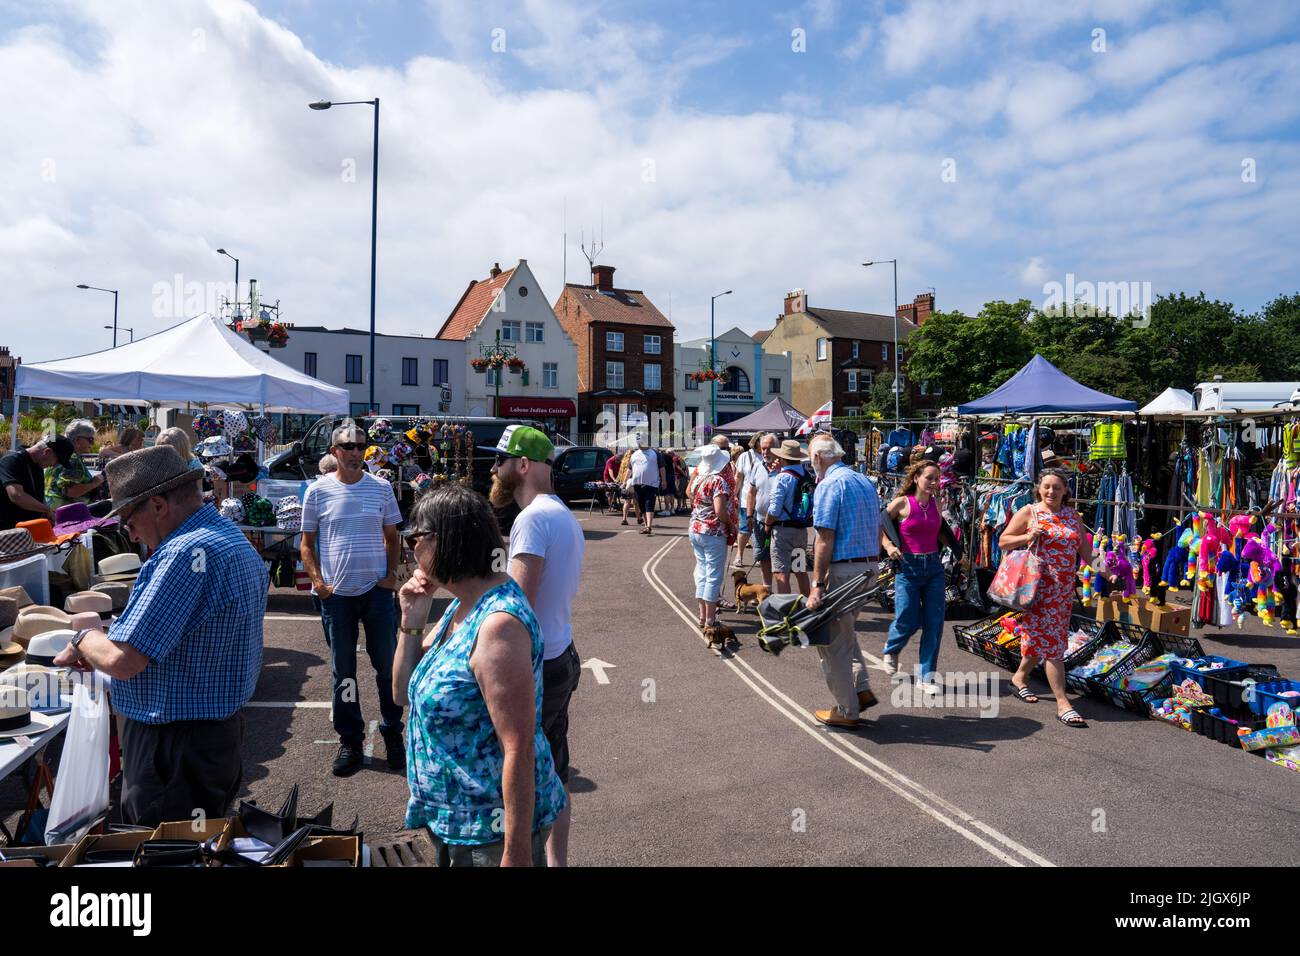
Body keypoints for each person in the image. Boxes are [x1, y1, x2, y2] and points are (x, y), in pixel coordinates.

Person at [53, 446, 267, 825]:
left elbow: (124, 661)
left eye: (127, 518)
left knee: (160, 849)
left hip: (173, 747)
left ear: (157, 505)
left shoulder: (184, 552)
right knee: (190, 846)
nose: (127, 531)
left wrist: (83, 638)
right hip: (208, 741)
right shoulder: (228, 538)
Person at [393, 483, 567, 867]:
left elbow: (517, 746)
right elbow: (402, 693)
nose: (409, 549)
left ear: (445, 542)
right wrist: (411, 621)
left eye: (414, 539)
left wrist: (515, 852)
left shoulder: (497, 625)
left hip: (487, 835)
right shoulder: (463, 604)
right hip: (454, 823)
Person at [487, 425, 585, 867]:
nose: (494, 468)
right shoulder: (559, 511)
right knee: (555, 771)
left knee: (521, 774)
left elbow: (518, 608)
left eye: (500, 460)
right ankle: (556, 862)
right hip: (559, 653)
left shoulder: (531, 519)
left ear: (522, 465)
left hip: (537, 665)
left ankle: (519, 858)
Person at [300, 422, 405, 777]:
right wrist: (319, 582)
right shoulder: (317, 492)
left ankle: (393, 733)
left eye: (361, 446)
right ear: (334, 452)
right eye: (348, 446)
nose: (356, 452)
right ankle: (351, 740)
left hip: (375, 593)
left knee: (387, 669)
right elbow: (306, 544)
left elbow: (393, 537)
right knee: (343, 672)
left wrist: (390, 578)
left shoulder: (381, 488)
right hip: (337, 597)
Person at [1000, 469, 1093, 729]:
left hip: (1063, 592)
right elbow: (1003, 541)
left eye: (1057, 487)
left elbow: (1085, 549)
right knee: (1053, 644)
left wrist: (1106, 572)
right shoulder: (1030, 512)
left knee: (1039, 637)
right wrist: (1027, 536)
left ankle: (1019, 678)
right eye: (1046, 487)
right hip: (1038, 589)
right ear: (1039, 489)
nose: (1051, 492)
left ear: (1066, 491)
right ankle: (1063, 702)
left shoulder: (1073, 516)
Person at [805, 432, 881, 727]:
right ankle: (860, 689)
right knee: (845, 632)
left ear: (818, 457)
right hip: (868, 567)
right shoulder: (863, 480)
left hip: (844, 570)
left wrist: (816, 585)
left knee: (832, 644)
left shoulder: (829, 484)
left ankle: (846, 710)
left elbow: (824, 538)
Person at [880, 460, 946, 691]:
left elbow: (943, 532)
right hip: (908, 567)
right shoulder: (902, 503)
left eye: (937, 478)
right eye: (929, 477)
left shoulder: (937, 503)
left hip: (934, 567)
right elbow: (880, 523)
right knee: (907, 616)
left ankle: (926, 677)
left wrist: (960, 554)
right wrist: (888, 546)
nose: (934, 483)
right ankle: (892, 647)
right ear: (916, 478)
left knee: (934, 623)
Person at [688, 444, 734, 630]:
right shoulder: (718, 481)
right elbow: (720, 510)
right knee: (713, 576)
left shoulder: (699, 478)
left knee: (702, 572)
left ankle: (702, 616)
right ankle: (709, 619)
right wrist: (731, 524)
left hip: (696, 528)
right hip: (713, 531)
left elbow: (690, 494)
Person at [765, 440, 815, 597]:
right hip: (800, 530)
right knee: (800, 570)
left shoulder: (782, 478)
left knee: (781, 573)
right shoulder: (806, 475)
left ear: (783, 458)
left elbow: (774, 509)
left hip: (782, 531)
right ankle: (807, 608)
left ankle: (786, 612)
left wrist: (767, 524)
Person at [0, 437, 70, 529]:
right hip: (7, 531)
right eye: (57, 461)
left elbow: (37, 498)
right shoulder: (11, 461)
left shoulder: (38, 465)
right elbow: (17, 496)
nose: (54, 466)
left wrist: (47, 515)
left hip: (26, 531)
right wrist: (46, 510)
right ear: (47, 452)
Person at [744, 433, 779, 589]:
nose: (765, 452)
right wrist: (749, 515)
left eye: (769, 448)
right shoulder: (757, 466)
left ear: (777, 449)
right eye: (763, 449)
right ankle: (767, 588)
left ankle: (786, 596)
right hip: (759, 520)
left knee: (781, 559)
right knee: (763, 556)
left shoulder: (784, 467)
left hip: (780, 523)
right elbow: (751, 492)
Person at [46, 420, 106, 509]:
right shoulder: (72, 459)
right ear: (77, 440)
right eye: (90, 439)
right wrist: (95, 483)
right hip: (66, 514)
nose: (92, 443)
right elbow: (70, 490)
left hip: (52, 509)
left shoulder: (60, 454)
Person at [732, 434, 765, 570]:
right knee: (745, 529)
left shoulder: (768, 455)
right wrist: (734, 495)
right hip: (747, 499)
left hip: (763, 500)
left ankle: (759, 556)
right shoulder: (745, 456)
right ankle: (739, 556)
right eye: (762, 441)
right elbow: (738, 477)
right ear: (755, 442)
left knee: (761, 530)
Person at [629, 434, 665, 536]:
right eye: (638, 443)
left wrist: (664, 481)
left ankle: (649, 526)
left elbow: (662, 468)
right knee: (641, 506)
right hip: (637, 484)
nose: (639, 445)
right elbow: (629, 468)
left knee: (649, 504)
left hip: (652, 484)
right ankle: (646, 525)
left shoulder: (655, 453)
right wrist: (625, 480)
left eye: (641, 442)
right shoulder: (634, 454)